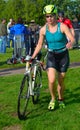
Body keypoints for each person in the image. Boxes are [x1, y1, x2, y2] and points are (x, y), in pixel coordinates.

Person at [30, 5, 75, 110]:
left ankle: (61, 98)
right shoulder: (43, 30)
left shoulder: (62, 26)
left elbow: (73, 39)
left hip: (63, 56)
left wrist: (71, 43)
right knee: (51, 80)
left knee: (61, 80)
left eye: (51, 16)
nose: (49, 18)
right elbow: (39, 44)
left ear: (55, 16)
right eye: (47, 16)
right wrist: (32, 57)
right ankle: (53, 99)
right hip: (51, 56)